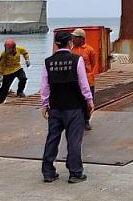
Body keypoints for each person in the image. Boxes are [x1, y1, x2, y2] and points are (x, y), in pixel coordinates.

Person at [40, 31, 94, 184]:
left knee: (52, 139)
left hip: (55, 107)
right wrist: (89, 100)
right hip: (74, 107)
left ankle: (48, 172)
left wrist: (44, 104)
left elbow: (44, 86)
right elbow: (83, 84)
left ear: (56, 44)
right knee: (74, 140)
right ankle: (75, 172)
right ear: (70, 43)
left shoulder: (47, 62)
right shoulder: (76, 60)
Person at [71, 29, 99, 130]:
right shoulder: (71, 49)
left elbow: (93, 63)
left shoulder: (89, 50)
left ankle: (86, 120)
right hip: (75, 80)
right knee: (75, 101)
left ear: (81, 38)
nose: (73, 39)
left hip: (88, 79)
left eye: (75, 37)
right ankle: (76, 120)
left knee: (88, 101)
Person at [0, 39, 31, 105]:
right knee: (5, 88)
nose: (8, 50)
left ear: (14, 47)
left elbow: (25, 53)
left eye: (9, 49)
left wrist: (27, 60)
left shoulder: (19, 49)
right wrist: (0, 76)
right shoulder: (4, 54)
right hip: (8, 72)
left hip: (18, 68)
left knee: (23, 78)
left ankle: (20, 92)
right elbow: (0, 65)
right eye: (6, 48)